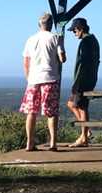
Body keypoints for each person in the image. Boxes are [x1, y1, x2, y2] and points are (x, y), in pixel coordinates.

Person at [19, 12, 66, 151]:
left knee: (31, 112)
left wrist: (28, 77)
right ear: (50, 24)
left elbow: (26, 61)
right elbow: (62, 58)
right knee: (51, 112)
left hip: (33, 79)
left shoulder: (30, 39)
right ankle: (53, 143)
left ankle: (29, 143)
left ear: (39, 25)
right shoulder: (55, 38)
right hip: (50, 78)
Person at [65, 17, 100, 147]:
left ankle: (84, 137)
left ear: (80, 28)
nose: (74, 34)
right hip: (90, 78)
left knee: (81, 106)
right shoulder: (94, 40)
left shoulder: (85, 42)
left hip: (83, 79)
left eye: (74, 31)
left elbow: (83, 63)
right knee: (72, 104)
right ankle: (86, 131)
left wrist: (77, 82)